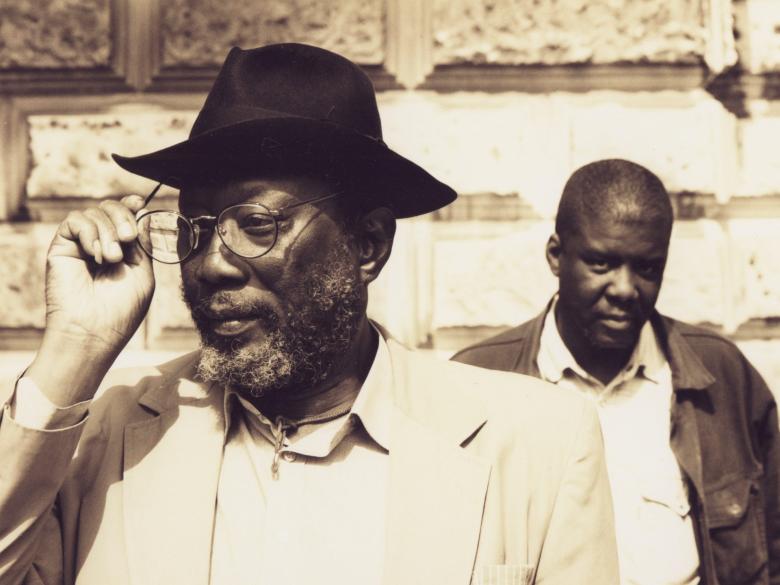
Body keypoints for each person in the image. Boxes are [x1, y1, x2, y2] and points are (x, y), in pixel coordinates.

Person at [0, 44, 618, 585]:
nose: (211, 263)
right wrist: (75, 350)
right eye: (194, 228)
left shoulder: (539, 445)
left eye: (257, 224)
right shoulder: (102, 444)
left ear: (368, 245)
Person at [453, 158, 780, 585]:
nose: (625, 289)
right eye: (601, 263)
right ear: (556, 255)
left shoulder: (721, 376)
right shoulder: (478, 382)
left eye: (647, 268)